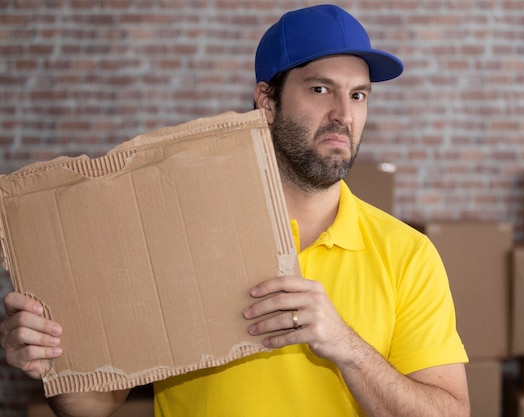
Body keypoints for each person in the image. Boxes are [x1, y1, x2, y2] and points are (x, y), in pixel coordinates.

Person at [0, 4, 469, 417]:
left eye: (358, 94)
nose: (344, 114)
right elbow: (96, 405)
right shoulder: (179, 231)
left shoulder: (408, 255)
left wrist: (346, 346)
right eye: (321, 89)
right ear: (267, 102)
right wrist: (54, 361)